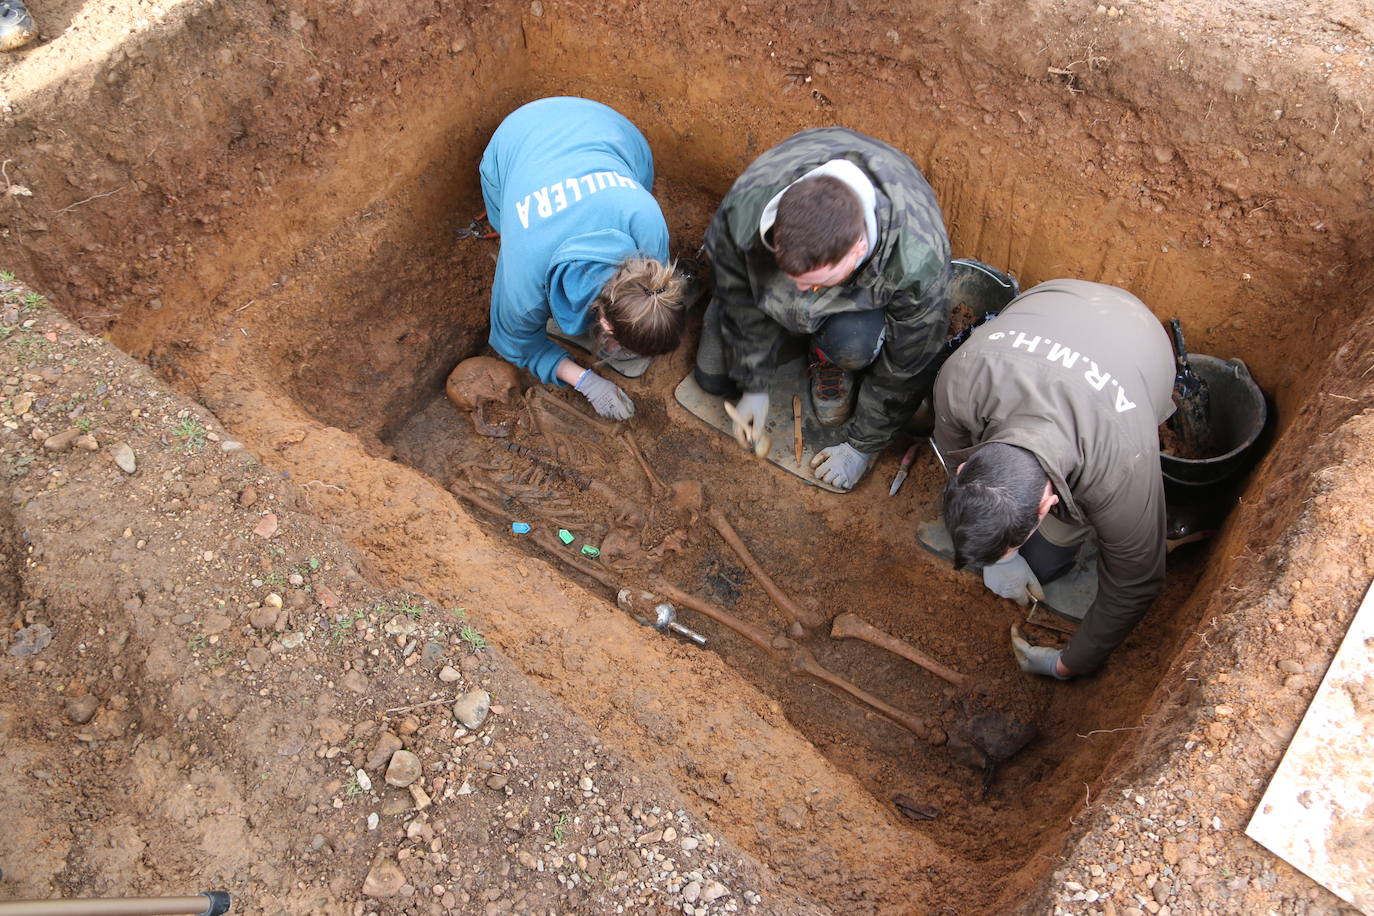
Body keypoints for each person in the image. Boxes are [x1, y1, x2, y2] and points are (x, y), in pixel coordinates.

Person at [933, 279, 1176, 679]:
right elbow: (949, 449)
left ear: (1048, 506)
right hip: (1052, 297)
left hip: (1140, 335)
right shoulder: (959, 380)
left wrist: (1069, 663)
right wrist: (1003, 556)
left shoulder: (1120, 465)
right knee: (1006, 550)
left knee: (1044, 562)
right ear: (966, 469)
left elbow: (1137, 581)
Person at [693, 127, 951, 490]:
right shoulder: (749, 204)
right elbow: (733, 288)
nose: (801, 291)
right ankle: (787, 315)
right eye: (793, 277)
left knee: (854, 342)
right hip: (783, 258)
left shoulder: (916, 260)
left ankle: (827, 356)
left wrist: (862, 446)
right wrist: (753, 382)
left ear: (858, 249)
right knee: (712, 380)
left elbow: (908, 364)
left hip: (863, 298)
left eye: (817, 282)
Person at [479, 97, 688, 420]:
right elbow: (518, 344)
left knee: (636, 173)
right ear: (604, 322)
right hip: (517, 137)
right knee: (502, 220)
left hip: (611, 131)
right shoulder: (525, 283)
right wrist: (587, 382)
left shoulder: (644, 217)